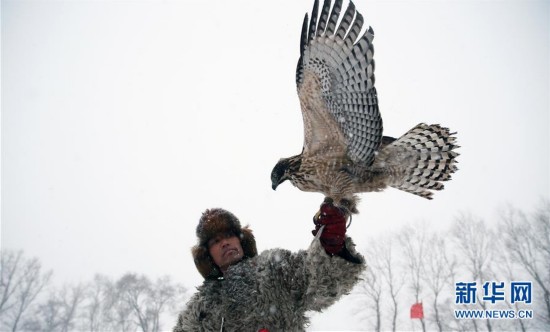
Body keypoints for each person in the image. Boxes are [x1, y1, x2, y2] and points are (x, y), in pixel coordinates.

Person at [173, 200, 365, 331]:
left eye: (229, 235)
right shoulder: (201, 311)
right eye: (216, 240)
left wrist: (331, 246)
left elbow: (319, 282)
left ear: (241, 240)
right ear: (207, 255)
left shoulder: (275, 268)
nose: (225, 243)